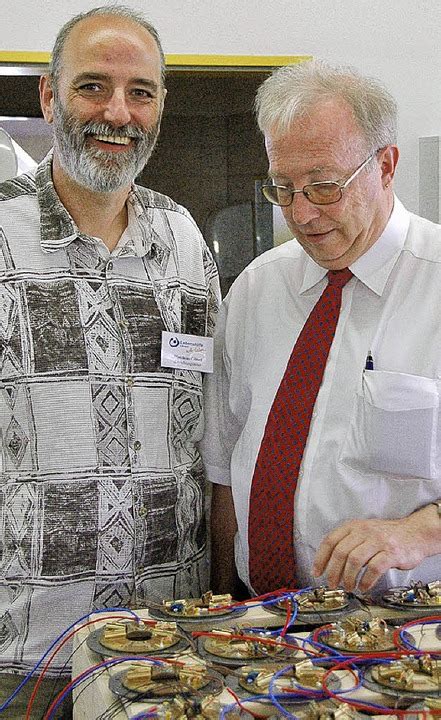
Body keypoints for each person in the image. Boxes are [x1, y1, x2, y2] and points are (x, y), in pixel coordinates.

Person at [0, 5, 220, 717]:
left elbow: (209, 430)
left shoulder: (184, 241)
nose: (117, 113)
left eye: (141, 92)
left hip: (168, 642)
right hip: (24, 654)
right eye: (93, 86)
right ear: (48, 96)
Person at [201, 59, 441, 601]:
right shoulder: (258, 289)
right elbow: (225, 469)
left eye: (324, 187)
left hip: (402, 634)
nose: (302, 214)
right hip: (255, 622)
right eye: (283, 188)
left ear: (385, 166)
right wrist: (218, 603)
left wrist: (416, 533)